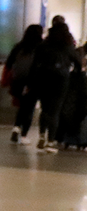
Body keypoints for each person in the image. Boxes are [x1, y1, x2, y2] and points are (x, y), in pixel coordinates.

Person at [27, 16, 83, 152]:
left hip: (43, 78)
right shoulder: (67, 46)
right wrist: (74, 72)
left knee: (45, 109)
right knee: (55, 110)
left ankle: (42, 135)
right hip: (61, 79)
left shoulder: (43, 45)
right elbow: (78, 62)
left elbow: (34, 64)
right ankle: (51, 141)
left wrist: (30, 82)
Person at [4, 22, 45, 145]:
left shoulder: (19, 46)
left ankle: (16, 127)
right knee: (29, 108)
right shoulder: (41, 47)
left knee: (22, 106)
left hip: (18, 80)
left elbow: (9, 62)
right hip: (33, 82)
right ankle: (24, 135)